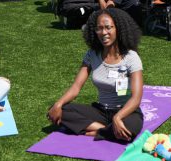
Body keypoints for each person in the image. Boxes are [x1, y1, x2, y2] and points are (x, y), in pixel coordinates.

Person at [47, 8, 143, 142]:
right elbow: (76, 87)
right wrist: (58, 104)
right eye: (99, 28)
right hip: (101, 111)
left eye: (108, 28)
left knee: (128, 130)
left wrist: (117, 117)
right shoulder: (92, 55)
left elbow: (136, 98)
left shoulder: (131, 57)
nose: (104, 32)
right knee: (56, 111)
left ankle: (96, 129)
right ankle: (104, 130)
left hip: (125, 112)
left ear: (118, 29)